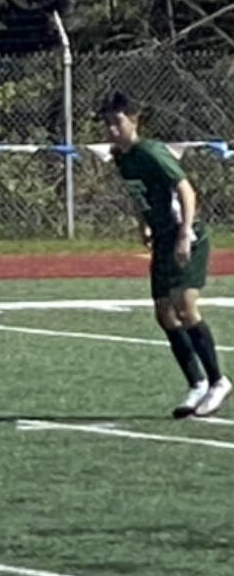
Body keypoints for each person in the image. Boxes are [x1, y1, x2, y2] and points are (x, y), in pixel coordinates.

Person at [101, 90, 230, 418]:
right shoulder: (121, 157)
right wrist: (143, 222)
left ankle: (218, 381)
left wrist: (185, 233)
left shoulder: (151, 152)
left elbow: (186, 190)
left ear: (134, 120)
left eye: (117, 122)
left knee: (185, 307)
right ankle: (197, 383)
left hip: (185, 235)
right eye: (107, 124)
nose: (112, 130)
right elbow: (140, 194)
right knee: (164, 313)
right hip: (161, 237)